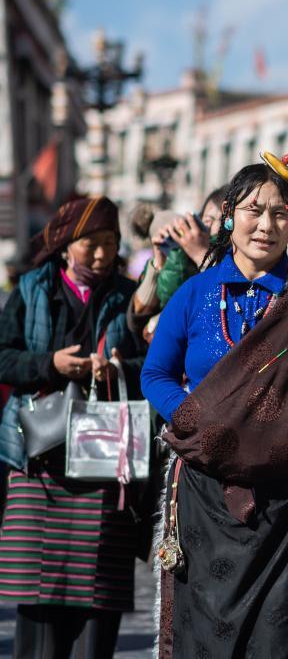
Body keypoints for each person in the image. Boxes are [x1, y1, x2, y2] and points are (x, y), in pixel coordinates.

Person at [141, 152, 288, 658]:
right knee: (206, 637)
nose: (266, 225)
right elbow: (155, 374)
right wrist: (198, 422)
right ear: (229, 216)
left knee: (282, 639)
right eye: (254, 210)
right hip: (208, 492)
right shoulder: (196, 293)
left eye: (280, 213)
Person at [0, 196, 145, 659]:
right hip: (38, 459)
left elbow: (155, 365)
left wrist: (118, 368)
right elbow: (4, 357)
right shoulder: (31, 290)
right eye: (91, 244)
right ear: (65, 244)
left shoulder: (129, 296)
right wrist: (51, 364)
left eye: (110, 243)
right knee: (38, 598)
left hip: (104, 460)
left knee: (98, 596)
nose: (102, 255)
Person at [129, 186, 227, 343]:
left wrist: (201, 255)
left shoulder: (231, 263)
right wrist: (158, 261)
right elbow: (136, 319)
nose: (211, 228)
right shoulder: (176, 256)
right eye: (207, 220)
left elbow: (223, 304)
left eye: (222, 220)